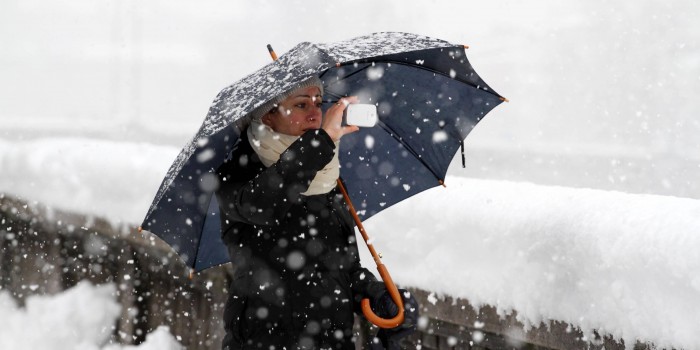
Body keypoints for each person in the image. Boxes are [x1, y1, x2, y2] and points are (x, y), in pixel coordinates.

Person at [215, 76, 418, 349]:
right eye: (301, 104)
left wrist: (380, 296)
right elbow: (265, 206)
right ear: (267, 118)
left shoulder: (327, 177)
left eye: (318, 103)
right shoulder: (237, 174)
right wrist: (321, 142)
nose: (315, 113)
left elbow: (342, 268)